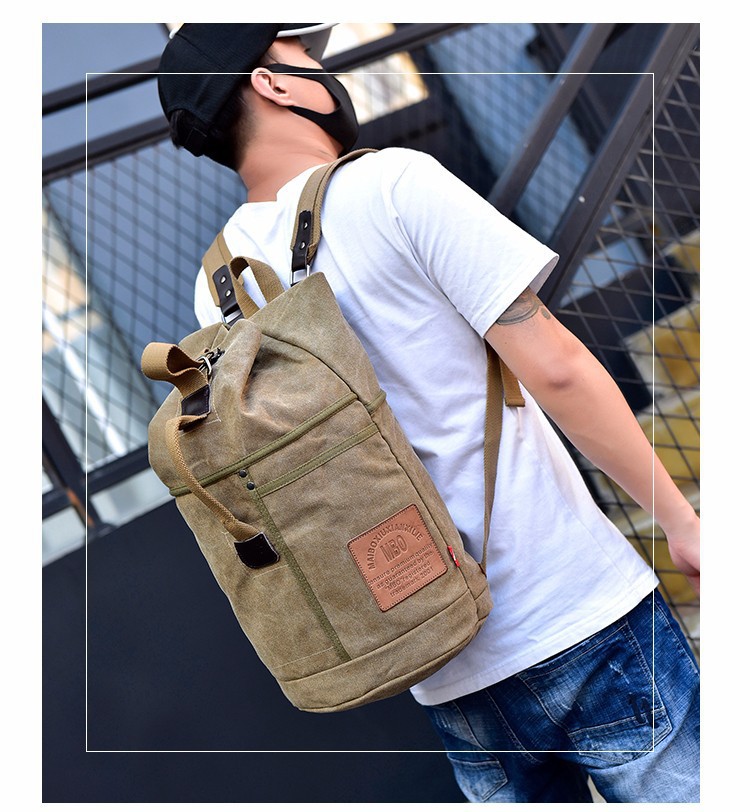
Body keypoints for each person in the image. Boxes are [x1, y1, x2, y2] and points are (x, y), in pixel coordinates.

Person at [156, 23, 700, 803]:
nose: (324, 70)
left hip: (440, 658)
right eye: (304, 56)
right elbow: (556, 367)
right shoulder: (393, 185)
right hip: (576, 610)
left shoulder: (220, 286)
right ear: (271, 83)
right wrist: (680, 520)